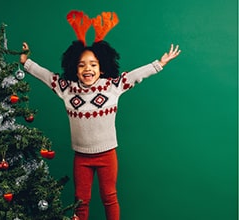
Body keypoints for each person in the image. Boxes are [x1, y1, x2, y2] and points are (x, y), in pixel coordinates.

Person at [20, 11, 181, 220]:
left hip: (107, 156)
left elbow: (135, 76)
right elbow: (46, 75)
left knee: (110, 197)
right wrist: (26, 62)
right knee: (81, 200)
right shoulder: (67, 89)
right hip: (81, 157)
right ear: (74, 69)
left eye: (93, 64)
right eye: (82, 65)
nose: (88, 69)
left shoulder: (112, 87)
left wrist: (159, 64)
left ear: (102, 68)